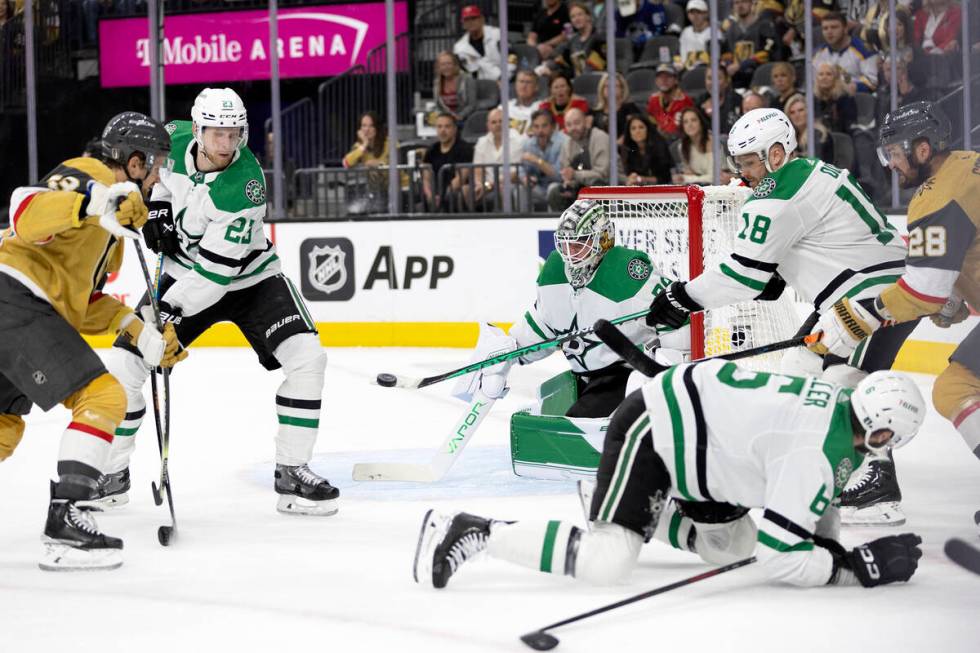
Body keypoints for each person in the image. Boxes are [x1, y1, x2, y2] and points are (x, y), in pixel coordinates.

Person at [415, 365, 926, 591]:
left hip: (703, 455)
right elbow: (781, 558)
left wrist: (831, 550)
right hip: (656, 434)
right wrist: (854, 569)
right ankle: (472, 529)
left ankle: (620, 503)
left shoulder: (834, 402)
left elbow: (810, 514)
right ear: (883, 434)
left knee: (730, 546)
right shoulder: (815, 451)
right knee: (606, 564)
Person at [643, 108, 916, 524]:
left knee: (842, 383)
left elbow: (741, 275)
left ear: (775, 153)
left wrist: (683, 298)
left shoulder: (781, 190)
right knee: (798, 370)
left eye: (750, 163)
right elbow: (811, 245)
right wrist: (773, 273)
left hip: (872, 297)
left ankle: (877, 486)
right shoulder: (807, 172)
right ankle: (804, 463)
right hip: (865, 290)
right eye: (739, 164)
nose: (745, 173)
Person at [95, 89, 339, 517]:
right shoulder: (169, 140)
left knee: (307, 358)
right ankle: (112, 476)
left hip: (249, 280)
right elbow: (161, 186)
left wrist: (169, 310)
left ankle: (292, 471)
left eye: (233, 134)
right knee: (123, 365)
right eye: (216, 134)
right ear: (198, 129)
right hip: (182, 273)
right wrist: (158, 212)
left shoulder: (244, 186)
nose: (226, 144)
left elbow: (215, 274)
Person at [0, 111, 179, 570]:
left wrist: (141, 332)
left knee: (3, 429)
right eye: (157, 163)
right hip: (13, 298)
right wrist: (96, 200)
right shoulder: (91, 174)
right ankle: (67, 517)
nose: (160, 175)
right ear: (134, 161)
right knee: (102, 394)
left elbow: (85, 302)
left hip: (19, 308)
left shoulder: (116, 229)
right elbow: (25, 213)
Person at [812, 101, 980, 520]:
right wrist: (954, 296)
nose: (891, 165)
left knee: (954, 390)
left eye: (896, 154)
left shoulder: (938, 194)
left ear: (923, 149)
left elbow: (921, 294)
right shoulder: (968, 164)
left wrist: (852, 317)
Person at [547, 107, 610, 211]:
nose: (573, 128)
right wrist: (568, 181)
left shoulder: (600, 137)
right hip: (580, 187)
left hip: (607, 186)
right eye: (569, 125)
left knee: (595, 188)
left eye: (577, 123)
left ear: (586, 121)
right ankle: (562, 225)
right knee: (555, 192)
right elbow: (567, 173)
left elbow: (603, 174)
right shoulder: (567, 143)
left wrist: (575, 175)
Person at [723, 0, 786, 89]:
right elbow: (727, 53)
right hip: (737, 79)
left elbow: (769, 53)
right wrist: (729, 65)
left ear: (751, 4)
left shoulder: (765, 25)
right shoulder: (730, 30)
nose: (740, 6)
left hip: (761, 78)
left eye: (743, 2)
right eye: (736, 3)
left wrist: (743, 65)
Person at [813, 11, 878, 94]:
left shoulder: (864, 50)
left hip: (855, 99)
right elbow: (813, 82)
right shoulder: (818, 54)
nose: (829, 32)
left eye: (834, 27)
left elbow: (872, 81)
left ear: (845, 29)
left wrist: (852, 87)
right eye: (825, 28)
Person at [471, 108, 522, 209]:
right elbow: (478, 170)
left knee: (504, 188)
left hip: (510, 184)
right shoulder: (482, 142)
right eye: (494, 122)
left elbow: (514, 173)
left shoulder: (517, 140)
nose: (498, 125)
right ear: (488, 125)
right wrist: (479, 184)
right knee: (467, 190)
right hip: (487, 185)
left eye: (501, 121)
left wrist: (491, 185)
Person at [423, 113, 475, 212]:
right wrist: (430, 194)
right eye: (439, 127)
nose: (443, 130)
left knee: (451, 196)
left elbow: (461, 178)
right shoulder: (431, 150)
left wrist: (441, 196)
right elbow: (426, 178)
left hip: (453, 192)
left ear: (455, 129)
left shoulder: (465, 149)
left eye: (447, 126)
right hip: (436, 193)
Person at [520, 109, 567, 211]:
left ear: (553, 127)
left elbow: (559, 176)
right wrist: (525, 178)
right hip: (539, 187)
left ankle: (554, 225)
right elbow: (522, 169)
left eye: (544, 126)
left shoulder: (564, 142)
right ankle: (522, 224)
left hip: (560, 186)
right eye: (536, 126)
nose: (540, 130)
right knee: (521, 189)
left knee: (553, 188)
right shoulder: (528, 144)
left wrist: (537, 161)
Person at [551, 0, 606, 78]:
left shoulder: (599, 38)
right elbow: (560, 59)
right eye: (573, 17)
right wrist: (547, 67)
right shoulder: (573, 40)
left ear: (588, 16)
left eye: (580, 14)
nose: (576, 19)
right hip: (577, 81)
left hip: (597, 80)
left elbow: (597, 66)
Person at [673, 107, 727, 185]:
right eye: (685, 122)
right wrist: (686, 177)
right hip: (699, 186)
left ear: (701, 122)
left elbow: (714, 177)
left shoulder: (715, 142)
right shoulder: (682, 146)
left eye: (693, 120)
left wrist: (685, 178)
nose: (690, 125)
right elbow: (689, 173)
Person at [453, 5, 502, 81]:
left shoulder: (498, 34)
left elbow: (511, 57)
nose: (470, 22)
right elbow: (465, 72)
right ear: (463, 24)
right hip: (480, 87)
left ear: (482, 19)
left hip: (505, 81)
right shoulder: (459, 48)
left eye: (473, 18)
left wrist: (505, 79)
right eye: (466, 20)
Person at [621, 113, 672, 186]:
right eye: (633, 128)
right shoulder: (627, 149)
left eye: (641, 127)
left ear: (648, 129)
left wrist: (642, 179)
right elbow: (627, 175)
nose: (637, 131)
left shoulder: (660, 146)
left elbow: (665, 178)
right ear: (629, 133)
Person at [646, 64, 694, 140]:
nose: (664, 80)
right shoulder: (653, 100)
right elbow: (651, 124)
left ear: (676, 80)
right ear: (656, 81)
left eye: (668, 76)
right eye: (660, 77)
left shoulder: (686, 101)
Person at [784, 93, 834, 162]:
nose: (797, 115)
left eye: (801, 110)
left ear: (809, 112)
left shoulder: (817, 134)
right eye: (792, 112)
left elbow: (815, 162)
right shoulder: (793, 136)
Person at [433, 51, 478, 124]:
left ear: (455, 65)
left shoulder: (467, 79)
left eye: (449, 63)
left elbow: (472, 105)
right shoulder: (437, 82)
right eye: (443, 64)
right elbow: (438, 105)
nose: (446, 67)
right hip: (447, 119)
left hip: (466, 118)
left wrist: (459, 116)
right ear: (438, 67)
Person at [590, 72, 642, 136]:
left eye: (615, 86)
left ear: (622, 89)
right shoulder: (594, 111)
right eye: (607, 86)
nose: (610, 89)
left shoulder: (630, 109)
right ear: (602, 89)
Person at [695, 64, 741, 134]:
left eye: (718, 78)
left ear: (726, 81)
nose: (713, 83)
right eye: (709, 78)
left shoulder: (736, 100)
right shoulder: (699, 101)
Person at [814, 62, 858, 134]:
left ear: (836, 78)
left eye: (829, 74)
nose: (824, 77)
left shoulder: (845, 98)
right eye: (821, 74)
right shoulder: (814, 99)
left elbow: (848, 126)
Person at [506, 69, 542, 140]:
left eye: (528, 82)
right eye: (521, 81)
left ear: (536, 87)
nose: (524, 85)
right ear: (515, 85)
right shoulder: (504, 107)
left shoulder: (541, 108)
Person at [679, 0, 712, 70]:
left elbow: (712, 58)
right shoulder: (685, 32)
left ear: (706, 14)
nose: (695, 15)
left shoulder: (714, 33)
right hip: (686, 70)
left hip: (706, 70)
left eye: (698, 12)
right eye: (692, 12)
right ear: (688, 15)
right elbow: (680, 55)